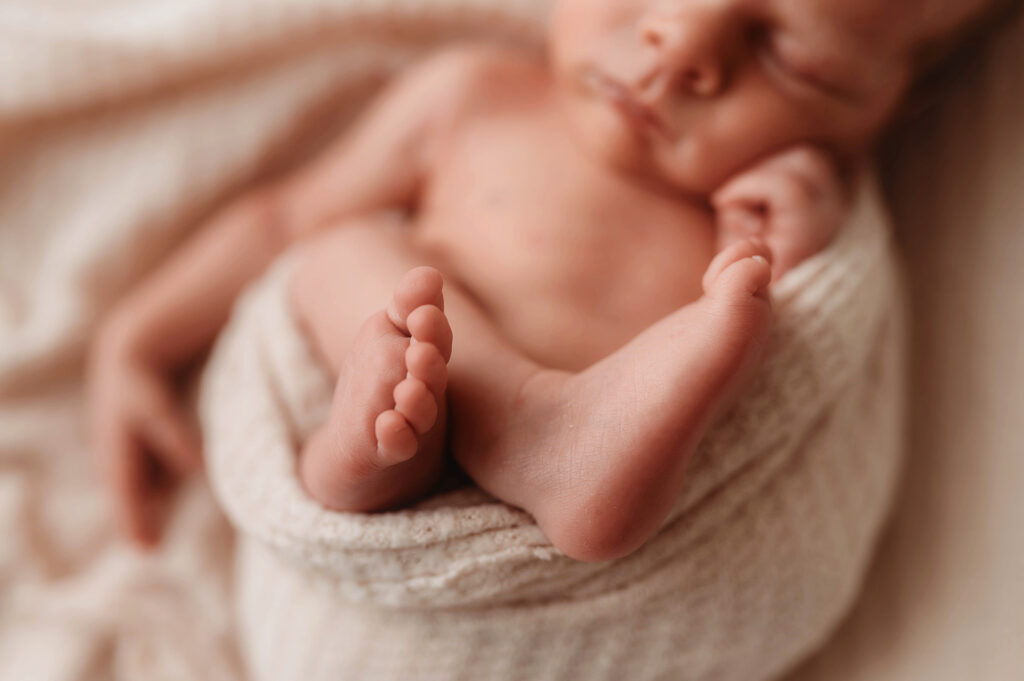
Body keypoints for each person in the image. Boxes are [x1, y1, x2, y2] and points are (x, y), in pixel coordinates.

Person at [88, 0, 1008, 561]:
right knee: (338, 253)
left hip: (614, 466)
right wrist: (135, 335)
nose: (679, 36)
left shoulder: (759, 204)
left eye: (793, 55)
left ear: (892, 107)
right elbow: (283, 218)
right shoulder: (473, 95)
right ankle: (377, 465)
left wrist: (792, 240)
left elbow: (797, 368)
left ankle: (469, 445)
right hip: (426, 393)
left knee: (737, 321)